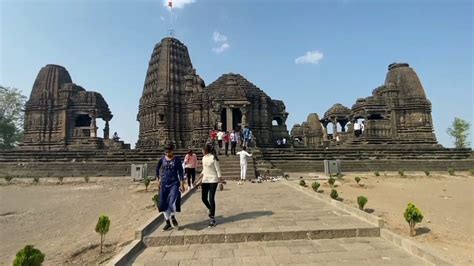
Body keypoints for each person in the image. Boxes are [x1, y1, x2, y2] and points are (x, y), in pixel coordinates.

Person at [156, 144, 185, 231]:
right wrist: (158, 180)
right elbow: (157, 169)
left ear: (172, 151)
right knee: (163, 203)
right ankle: (167, 222)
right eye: (166, 152)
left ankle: (172, 216)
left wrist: (182, 183)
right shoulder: (162, 159)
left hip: (174, 183)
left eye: (169, 151)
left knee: (172, 200)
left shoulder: (177, 160)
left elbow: (180, 172)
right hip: (164, 183)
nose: (167, 153)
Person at [198, 143, 223, 227]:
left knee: (211, 198)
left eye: (202, 149)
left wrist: (220, 182)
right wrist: (199, 178)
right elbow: (204, 169)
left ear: (205, 150)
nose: (201, 151)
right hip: (205, 179)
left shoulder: (214, 158)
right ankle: (210, 209)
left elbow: (218, 170)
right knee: (203, 198)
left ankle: (212, 218)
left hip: (213, 180)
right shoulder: (204, 158)